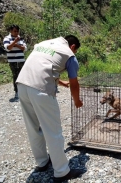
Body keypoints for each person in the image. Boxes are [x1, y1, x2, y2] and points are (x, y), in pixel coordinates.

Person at [16, 35, 84, 182]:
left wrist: (59, 82)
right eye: (76, 51)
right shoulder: (70, 54)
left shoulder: (45, 43)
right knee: (53, 131)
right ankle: (61, 172)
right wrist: (77, 100)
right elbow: (74, 82)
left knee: (33, 128)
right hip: (41, 90)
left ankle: (42, 162)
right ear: (73, 47)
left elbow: (41, 65)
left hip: (22, 84)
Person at [3, 24, 27, 100]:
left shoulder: (21, 38)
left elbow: (24, 48)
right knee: (15, 76)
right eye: (14, 31)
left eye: (17, 31)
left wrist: (16, 45)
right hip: (12, 61)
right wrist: (14, 42)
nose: (16, 33)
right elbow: (8, 48)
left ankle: (23, 92)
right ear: (11, 31)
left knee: (23, 76)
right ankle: (17, 92)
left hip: (21, 60)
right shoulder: (7, 38)